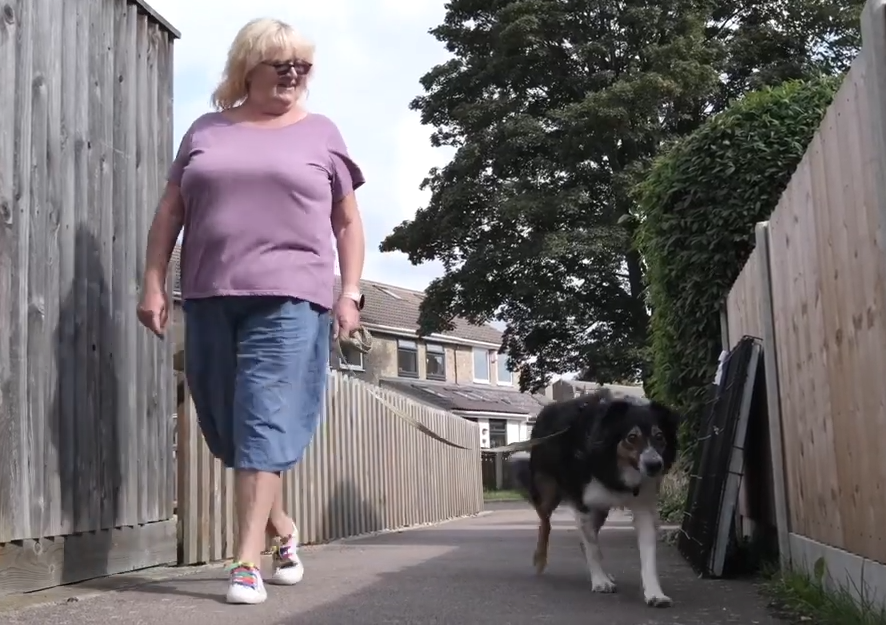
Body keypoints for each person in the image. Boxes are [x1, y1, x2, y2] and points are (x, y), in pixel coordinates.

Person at [136, 17, 366, 605]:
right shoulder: (206, 130)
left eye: (303, 66)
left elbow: (347, 223)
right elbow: (170, 212)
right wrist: (154, 281)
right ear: (248, 68)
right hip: (210, 293)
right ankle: (283, 528)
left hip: (292, 297)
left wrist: (349, 293)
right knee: (227, 427)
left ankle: (244, 562)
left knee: (265, 421)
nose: (294, 75)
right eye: (281, 64)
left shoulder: (321, 133)